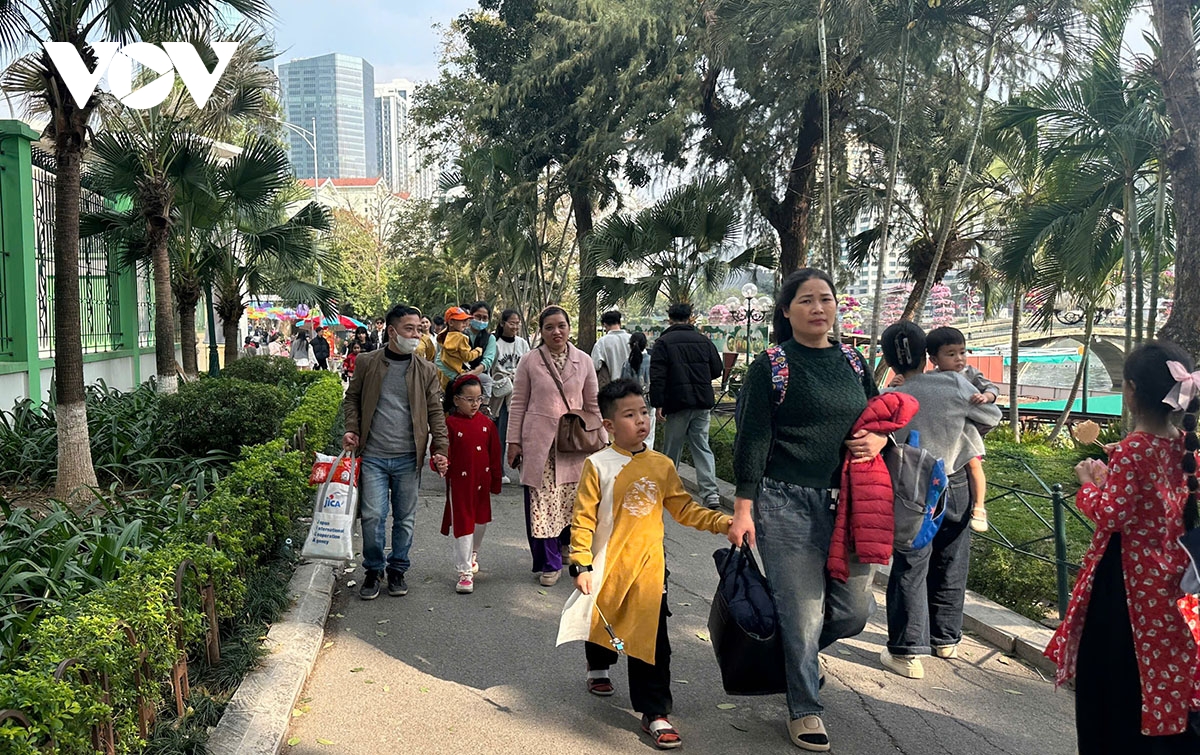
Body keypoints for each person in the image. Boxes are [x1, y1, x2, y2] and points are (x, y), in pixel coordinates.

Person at [728, 268, 885, 752]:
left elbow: (880, 414)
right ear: (786, 310)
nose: (818, 308)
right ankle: (804, 706)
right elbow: (752, 438)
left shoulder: (854, 361)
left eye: (826, 299)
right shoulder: (772, 364)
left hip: (850, 503)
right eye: (806, 300)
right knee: (801, 615)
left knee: (853, 612)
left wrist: (881, 439)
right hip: (785, 503)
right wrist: (743, 508)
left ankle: (792, 660)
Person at [559, 378, 732, 751]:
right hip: (607, 566)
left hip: (650, 571)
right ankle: (598, 665)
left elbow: (683, 508)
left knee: (652, 641)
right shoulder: (597, 465)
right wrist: (581, 564)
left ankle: (654, 712)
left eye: (644, 412)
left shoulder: (661, 465)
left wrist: (722, 523)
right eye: (629, 415)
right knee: (603, 621)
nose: (641, 420)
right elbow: (583, 519)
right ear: (608, 425)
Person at [1046, 340, 1200, 754]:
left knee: (1112, 676)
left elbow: (1112, 515)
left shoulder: (1135, 448)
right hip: (1173, 579)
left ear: (1130, 390)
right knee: (1160, 670)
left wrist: (1089, 484)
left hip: (1127, 582)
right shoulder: (1184, 445)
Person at [878, 321, 1001, 681]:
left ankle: (906, 652)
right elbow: (991, 416)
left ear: (889, 360)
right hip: (955, 480)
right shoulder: (953, 384)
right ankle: (945, 639)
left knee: (910, 565)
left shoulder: (890, 394)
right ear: (927, 355)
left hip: (911, 487)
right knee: (952, 560)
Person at [343, 304, 449, 600]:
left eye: (418, 329)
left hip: (408, 458)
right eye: (409, 329)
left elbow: (435, 412)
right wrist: (351, 428)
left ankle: (398, 568)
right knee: (373, 516)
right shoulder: (367, 362)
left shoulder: (426, 370)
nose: (416, 334)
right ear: (392, 331)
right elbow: (352, 398)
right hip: (373, 455)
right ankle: (373, 569)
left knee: (404, 518)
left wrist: (440, 448)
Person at [506, 305, 603, 587]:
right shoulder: (529, 361)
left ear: (569, 328)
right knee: (543, 505)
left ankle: (566, 546)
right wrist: (513, 442)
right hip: (540, 446)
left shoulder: (584, 360)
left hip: (574, 444)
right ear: (541, 331)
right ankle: (549, 562)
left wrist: (602, 440)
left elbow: (593, 403)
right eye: (549, 327)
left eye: (561, 326)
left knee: (572, 502)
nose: (556, 332)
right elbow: (518, 404)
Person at [650, 303, 724, 509]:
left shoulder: (663, 342)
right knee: (702, 447)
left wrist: (658, 404)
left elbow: (657, 376)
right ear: (690, 317)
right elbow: (717, 369)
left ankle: (668, 491)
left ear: (669, 318)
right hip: (702, 402)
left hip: (677, 402)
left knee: (672, 448)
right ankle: (710, 494)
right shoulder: (704, 340)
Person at [924, 326, 996, 533]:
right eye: (951, 354)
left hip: (966, 432)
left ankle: (979, 507)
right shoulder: (931, 378)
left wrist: (986, 397)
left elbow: (991, 388)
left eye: (962, 352)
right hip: (944, 433)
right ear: (934, 359)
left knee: (973, 464)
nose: (959, 358)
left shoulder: (970, 374)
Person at [437, 374, 502, 595]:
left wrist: (496, 480)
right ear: (456, 400)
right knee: (463, 524)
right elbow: (440, 451)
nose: (475, 404)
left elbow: (495, 455)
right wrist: (440, 463)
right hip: (460, 484)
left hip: (482, 482)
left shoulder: (487, 424)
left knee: (481, 522)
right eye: (470, 399)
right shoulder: (449, 424)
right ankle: (464, 572)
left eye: (479, 399)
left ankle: (473, 553)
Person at [490, 309, 531, 479]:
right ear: (502, 323)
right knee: (500, 434)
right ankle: (498, 470)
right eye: (511, 323)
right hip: (501, 394)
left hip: (520, 394)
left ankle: (524, 470)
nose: (515, 326)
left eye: (517, 323)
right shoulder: (494, 343)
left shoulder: (522, 343)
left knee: (523, 434)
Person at [620, 331, 655, 451]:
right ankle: (647, 456)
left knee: (633, 430)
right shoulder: (652, 361)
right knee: (649, 433)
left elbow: (623, 385)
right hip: (649, 402)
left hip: (631, 403)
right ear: (645, 344)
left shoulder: (627, 363)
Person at [435, 307, 483, 390]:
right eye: (462, 321)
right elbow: (467, 357)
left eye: (466, 321)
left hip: (443, 370)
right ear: (451, 322)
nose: (465, 323)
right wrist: (478, 351)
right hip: (455, 372)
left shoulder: (444, 335)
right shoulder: (461, 338)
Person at [462, 301, 498, 409]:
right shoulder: (460, 334)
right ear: (471, 316)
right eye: (478, 316)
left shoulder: (490, 338)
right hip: (459, 372)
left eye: (485, 318)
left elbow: (487, 361)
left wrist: (471, 374)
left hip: (479, 375)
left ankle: (484, 407)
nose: (481, 320)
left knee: (486, 381)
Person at [591, 309, 630, 389]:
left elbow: (595, 366)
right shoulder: (632, 339)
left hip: (612, 387)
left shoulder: (602, 342)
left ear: (605, 325)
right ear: (619, 323)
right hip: (632, 387)